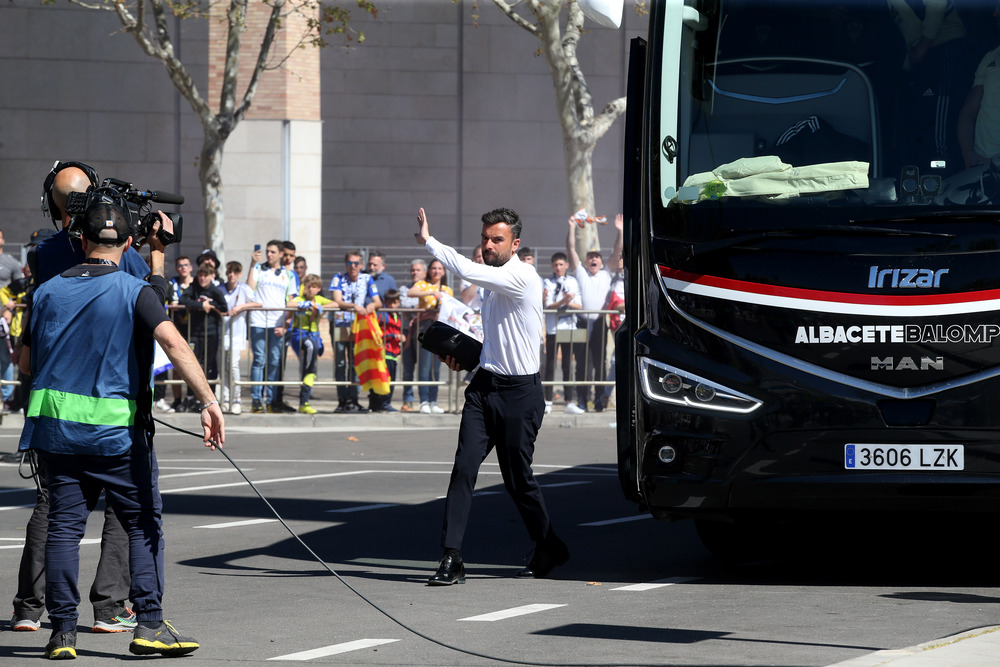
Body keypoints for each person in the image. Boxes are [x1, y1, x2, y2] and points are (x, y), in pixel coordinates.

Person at [18, 198, 224, 660]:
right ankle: (149, 624)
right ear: (129, 242)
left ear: (82, 240)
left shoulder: (46, 291)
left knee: (64, 530)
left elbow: (27, 362)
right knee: (142, 524)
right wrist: (209, 402)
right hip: (119, 439)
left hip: (57, 434)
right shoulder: (135, 291)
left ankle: (62, 633)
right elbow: (172, 341)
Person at [9, 162, 161, 637]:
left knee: (55, 512)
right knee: (129, 511)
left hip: (55, 408)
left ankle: (32, 609)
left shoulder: (46, 254)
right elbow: (150, 301)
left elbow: (27, 351)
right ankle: (113, 605)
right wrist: (154, 251)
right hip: (114, 403)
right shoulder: (122, 256)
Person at [416, 207, 569, 586]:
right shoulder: (493, 281)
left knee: (518, 481)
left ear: (514, 244)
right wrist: (468, 359)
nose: (488, 245)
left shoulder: (520, 276)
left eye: (496, 239)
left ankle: (548, 544)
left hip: (521, 394)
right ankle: (452, 557)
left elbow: (466, 270)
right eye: (485, 238)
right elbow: (500, 337)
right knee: (464, 468)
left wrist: (429, 242)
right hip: (485, 388)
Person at [566, 212, 623, 412]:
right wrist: (572, 227)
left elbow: (617, 252)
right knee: (581, 364)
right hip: (581, 322)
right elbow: (571, 249)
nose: (593, 259)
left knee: (600, 365)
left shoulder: (607, 273)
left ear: (601, 260)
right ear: (586, 260)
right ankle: (582, 400)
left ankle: (599, 400)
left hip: (599, 323)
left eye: (597, 257)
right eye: (590, 256)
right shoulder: (580, 272)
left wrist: (620, 232)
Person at [247, 240, 298, 414]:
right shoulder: (259, 269)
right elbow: (249, 288)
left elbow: (291, 302)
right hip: (258, 321)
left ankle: (270, 400)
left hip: (277, 323)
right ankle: (256, 400)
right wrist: (253, 263)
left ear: (281, 254)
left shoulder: (289, 274)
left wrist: (285, 325)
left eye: (273, 252)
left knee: (274, 362)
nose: (269, 255)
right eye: (267, 251)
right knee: (259, 360)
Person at [329, 250, 381, 413]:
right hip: (340, 323)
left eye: (356, 263)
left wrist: (371, 306)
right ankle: (341, 399)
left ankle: (354, 399)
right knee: (340, 363)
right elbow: (337, 300)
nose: (353, 267)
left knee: (355, 362)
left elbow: (377, 300)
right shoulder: (338, 277)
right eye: (350, 263)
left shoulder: (367, 278)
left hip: (358, 326)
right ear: (346, 264)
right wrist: (353, 306)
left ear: (361, 264)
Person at [407, 258, 452, 414]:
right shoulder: (423, 285)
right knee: (424, 368)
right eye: (433, 268)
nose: (436, 271)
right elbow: (410, 292)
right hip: (425, 330)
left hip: (440, 332)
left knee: (436, 368)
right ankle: (424, 401)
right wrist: (432, 291)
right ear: (429, 271)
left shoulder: (447, 289)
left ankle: (433, 401)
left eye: (440, 268)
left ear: (444, 271)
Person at [178, 264, 228, 404]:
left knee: (208, 365)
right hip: (194, 332)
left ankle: (207, 398)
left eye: (206, 275)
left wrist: (211, 306)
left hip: (210, 333)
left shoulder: (215, 290)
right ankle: (190, 396)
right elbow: (183, 299)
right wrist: (200, 305)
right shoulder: (194, 287)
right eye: (200, 275)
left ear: (211, 276)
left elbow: (224, 307)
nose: (202, 278)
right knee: (193, 364)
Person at [958, 2, 1000, 168]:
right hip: (983, 169)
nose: (995, 13)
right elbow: (968, 112)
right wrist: (968, 153)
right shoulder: (991, 57)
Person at [542, 252, 584, 415]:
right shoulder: (548, 282)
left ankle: (568, 401)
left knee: (567, 365)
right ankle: (548, 401)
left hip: (569, 328)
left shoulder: (573, 281)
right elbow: (548, 305)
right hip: (553, 328)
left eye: (561, 264)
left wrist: (567, 303)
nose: (558, 268)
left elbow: (579, 306)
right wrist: (563, 301)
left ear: (566, 265)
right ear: (552, 266)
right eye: (555, 265)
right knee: (551, 365)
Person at [288, 274, 332, 414]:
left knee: (311, 371)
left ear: (318, 289)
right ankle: (309, 371)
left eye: (314, 287)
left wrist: (320, 307)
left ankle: (304, 402)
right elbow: (289, 304)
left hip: (313, 335)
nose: (311, 290)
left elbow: (336, 303)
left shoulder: (319, 299)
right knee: (310, 348)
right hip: (299, 334)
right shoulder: (300, 299)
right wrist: (304, 304)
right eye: (309, 287)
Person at [166, 256, 194, 412]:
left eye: (186, 265)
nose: (183, 268)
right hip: (176, 328)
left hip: (194, 329)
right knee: (176, 366)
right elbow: (169, 302)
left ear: (190, 267)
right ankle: (177, 399)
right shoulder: (172, 283)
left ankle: (191, 398)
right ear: (177, 268)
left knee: (192, 364)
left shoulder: (196, 283)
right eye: (180, 265)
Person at [399, 259, 427, 411]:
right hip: (407, 332)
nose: (414, 273)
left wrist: (418, 305)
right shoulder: (404, 288)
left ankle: (425, 401)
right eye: (412, 270)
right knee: (407, 368)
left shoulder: (429, 287)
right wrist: (420, 305)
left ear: (425, 272)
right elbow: (404, 305)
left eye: (418, 270)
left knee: (424, 369)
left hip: (423, 332)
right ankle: (407, 399)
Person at [375, 288, 404, 412]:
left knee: (391, 379)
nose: (392, 305)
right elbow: (379, 333)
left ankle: (386, 402)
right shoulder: (383, 315)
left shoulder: (398, 316)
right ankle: (381, 403)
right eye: (390, 302)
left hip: (394, 352)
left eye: (395, 302)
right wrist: (393, 336)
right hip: (385, 352)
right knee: (384, 379)